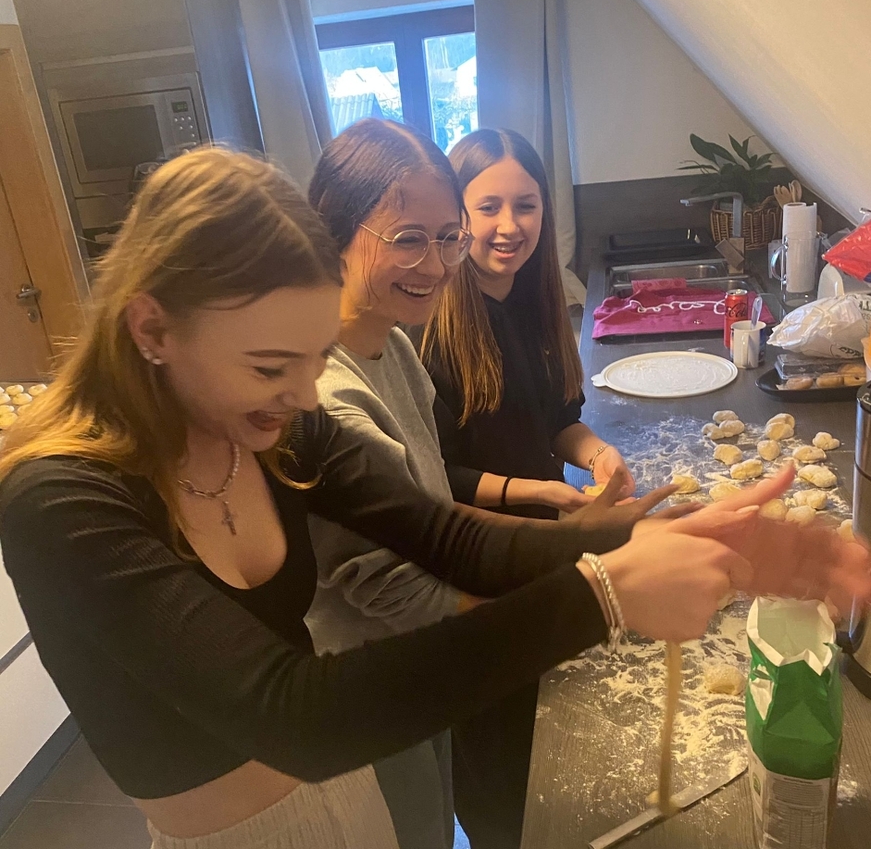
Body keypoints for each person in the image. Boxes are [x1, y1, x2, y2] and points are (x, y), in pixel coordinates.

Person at [0, 148, 866, 849]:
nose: (302, 396)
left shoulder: (270, 428)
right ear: (152, 328)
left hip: (353, 799)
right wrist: (603, 596)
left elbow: (451, 539)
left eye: (314, 359)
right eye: (269, 367)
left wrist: (665, 539)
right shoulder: (62, 503)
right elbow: (295, 714)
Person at [304, 119, 695, 849]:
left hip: (429, 661)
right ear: (334, 232)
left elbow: (438, 527)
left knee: (446, 818)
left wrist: (586, 539)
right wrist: (588, 591)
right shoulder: (330, 397)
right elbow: (393, 588)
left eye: (444, 238)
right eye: (409, 239)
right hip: (373, 681)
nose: (435, 264)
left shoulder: (391, 346)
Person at [421, 128, 636, 523]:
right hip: (481, 539)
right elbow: (435, 476)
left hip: (545, 527)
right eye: (488, 208)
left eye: (525, 206)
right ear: (456, 216)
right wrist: (537, 491)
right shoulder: (427, 330)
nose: (510, 226)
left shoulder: (535, 302)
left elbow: (557, 422)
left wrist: (600, 456)